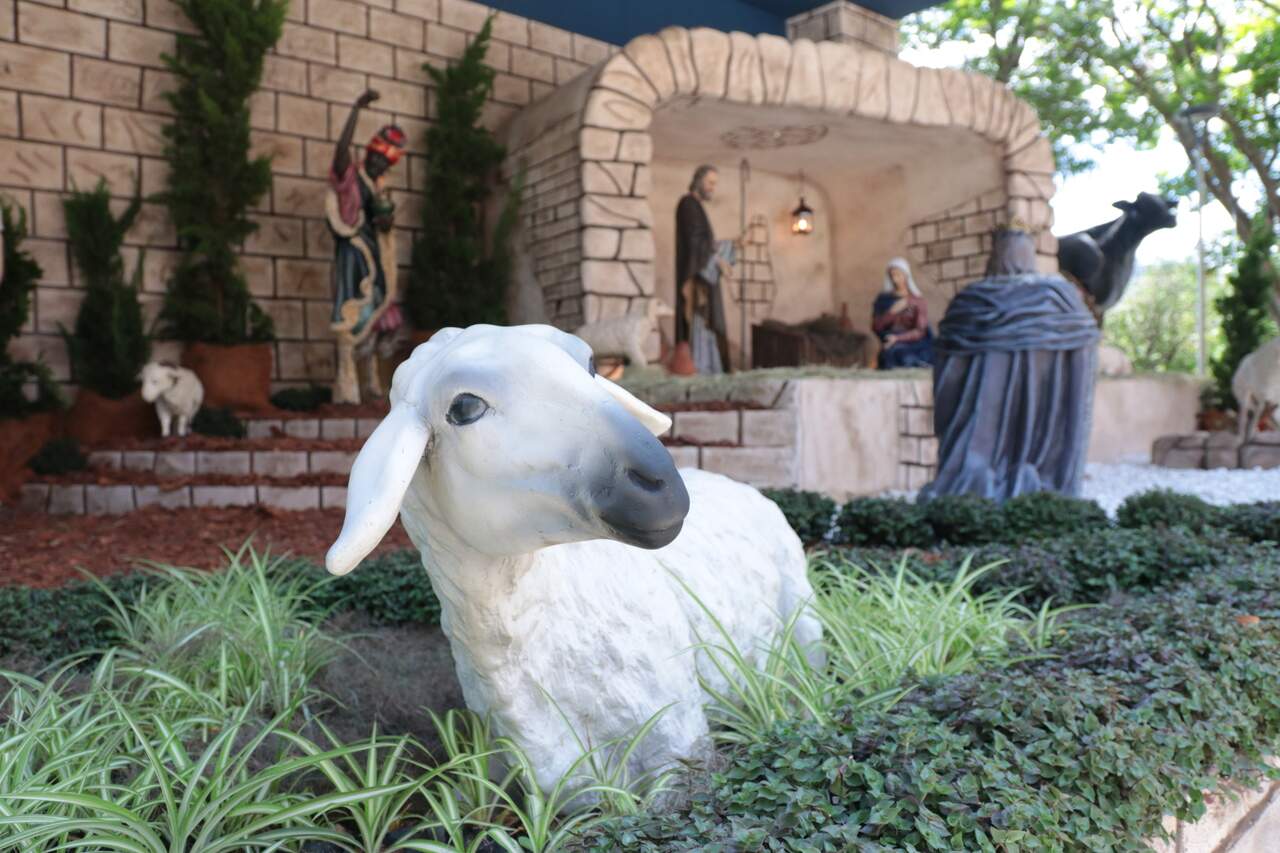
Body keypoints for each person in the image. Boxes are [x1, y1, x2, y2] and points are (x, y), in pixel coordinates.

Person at [920, 226, 1100, 502]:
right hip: (1042, 413)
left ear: (996, 256)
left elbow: (947, 367)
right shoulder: (1058, 297)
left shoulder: (971, 299)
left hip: (980, 421)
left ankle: (972, 483)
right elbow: (1085, 339)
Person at [326, 89, 407, 403]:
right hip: (353, 255)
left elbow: (383, 224)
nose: (377, 165)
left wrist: (385, 221)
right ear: (368, 155)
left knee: (379, 317)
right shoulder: (351, 179)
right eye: (375, 158)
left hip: (376, 257)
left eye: (383, 163)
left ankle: (372, 383)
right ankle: (346, 386)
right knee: (352, 315)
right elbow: (341, 151)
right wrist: (356, 109)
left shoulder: (378, 187)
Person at [674, 165, 734, 374]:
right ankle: (700, 367)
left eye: (714, 184)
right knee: (699, 319)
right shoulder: (688, 204)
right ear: (698, 180)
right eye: (710, 182)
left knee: (707, 322)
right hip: (696, 278)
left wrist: (731, 246)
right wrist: (718, 260)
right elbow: (696, 243)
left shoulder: (696, 206)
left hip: (703, 275)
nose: (712, 187)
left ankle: (710, 367)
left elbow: (705, 243)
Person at [871, 257, 934, 369]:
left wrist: (898, 338)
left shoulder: (917, 300)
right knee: (893, 354)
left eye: (898, 275)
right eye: (892, 275)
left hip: (915, 343)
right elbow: (876, 326)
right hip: (890, 342)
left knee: (910, 357)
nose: (895, 279)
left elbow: (920, 330)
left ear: (906, 275)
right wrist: (892, 312)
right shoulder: (883, 299)